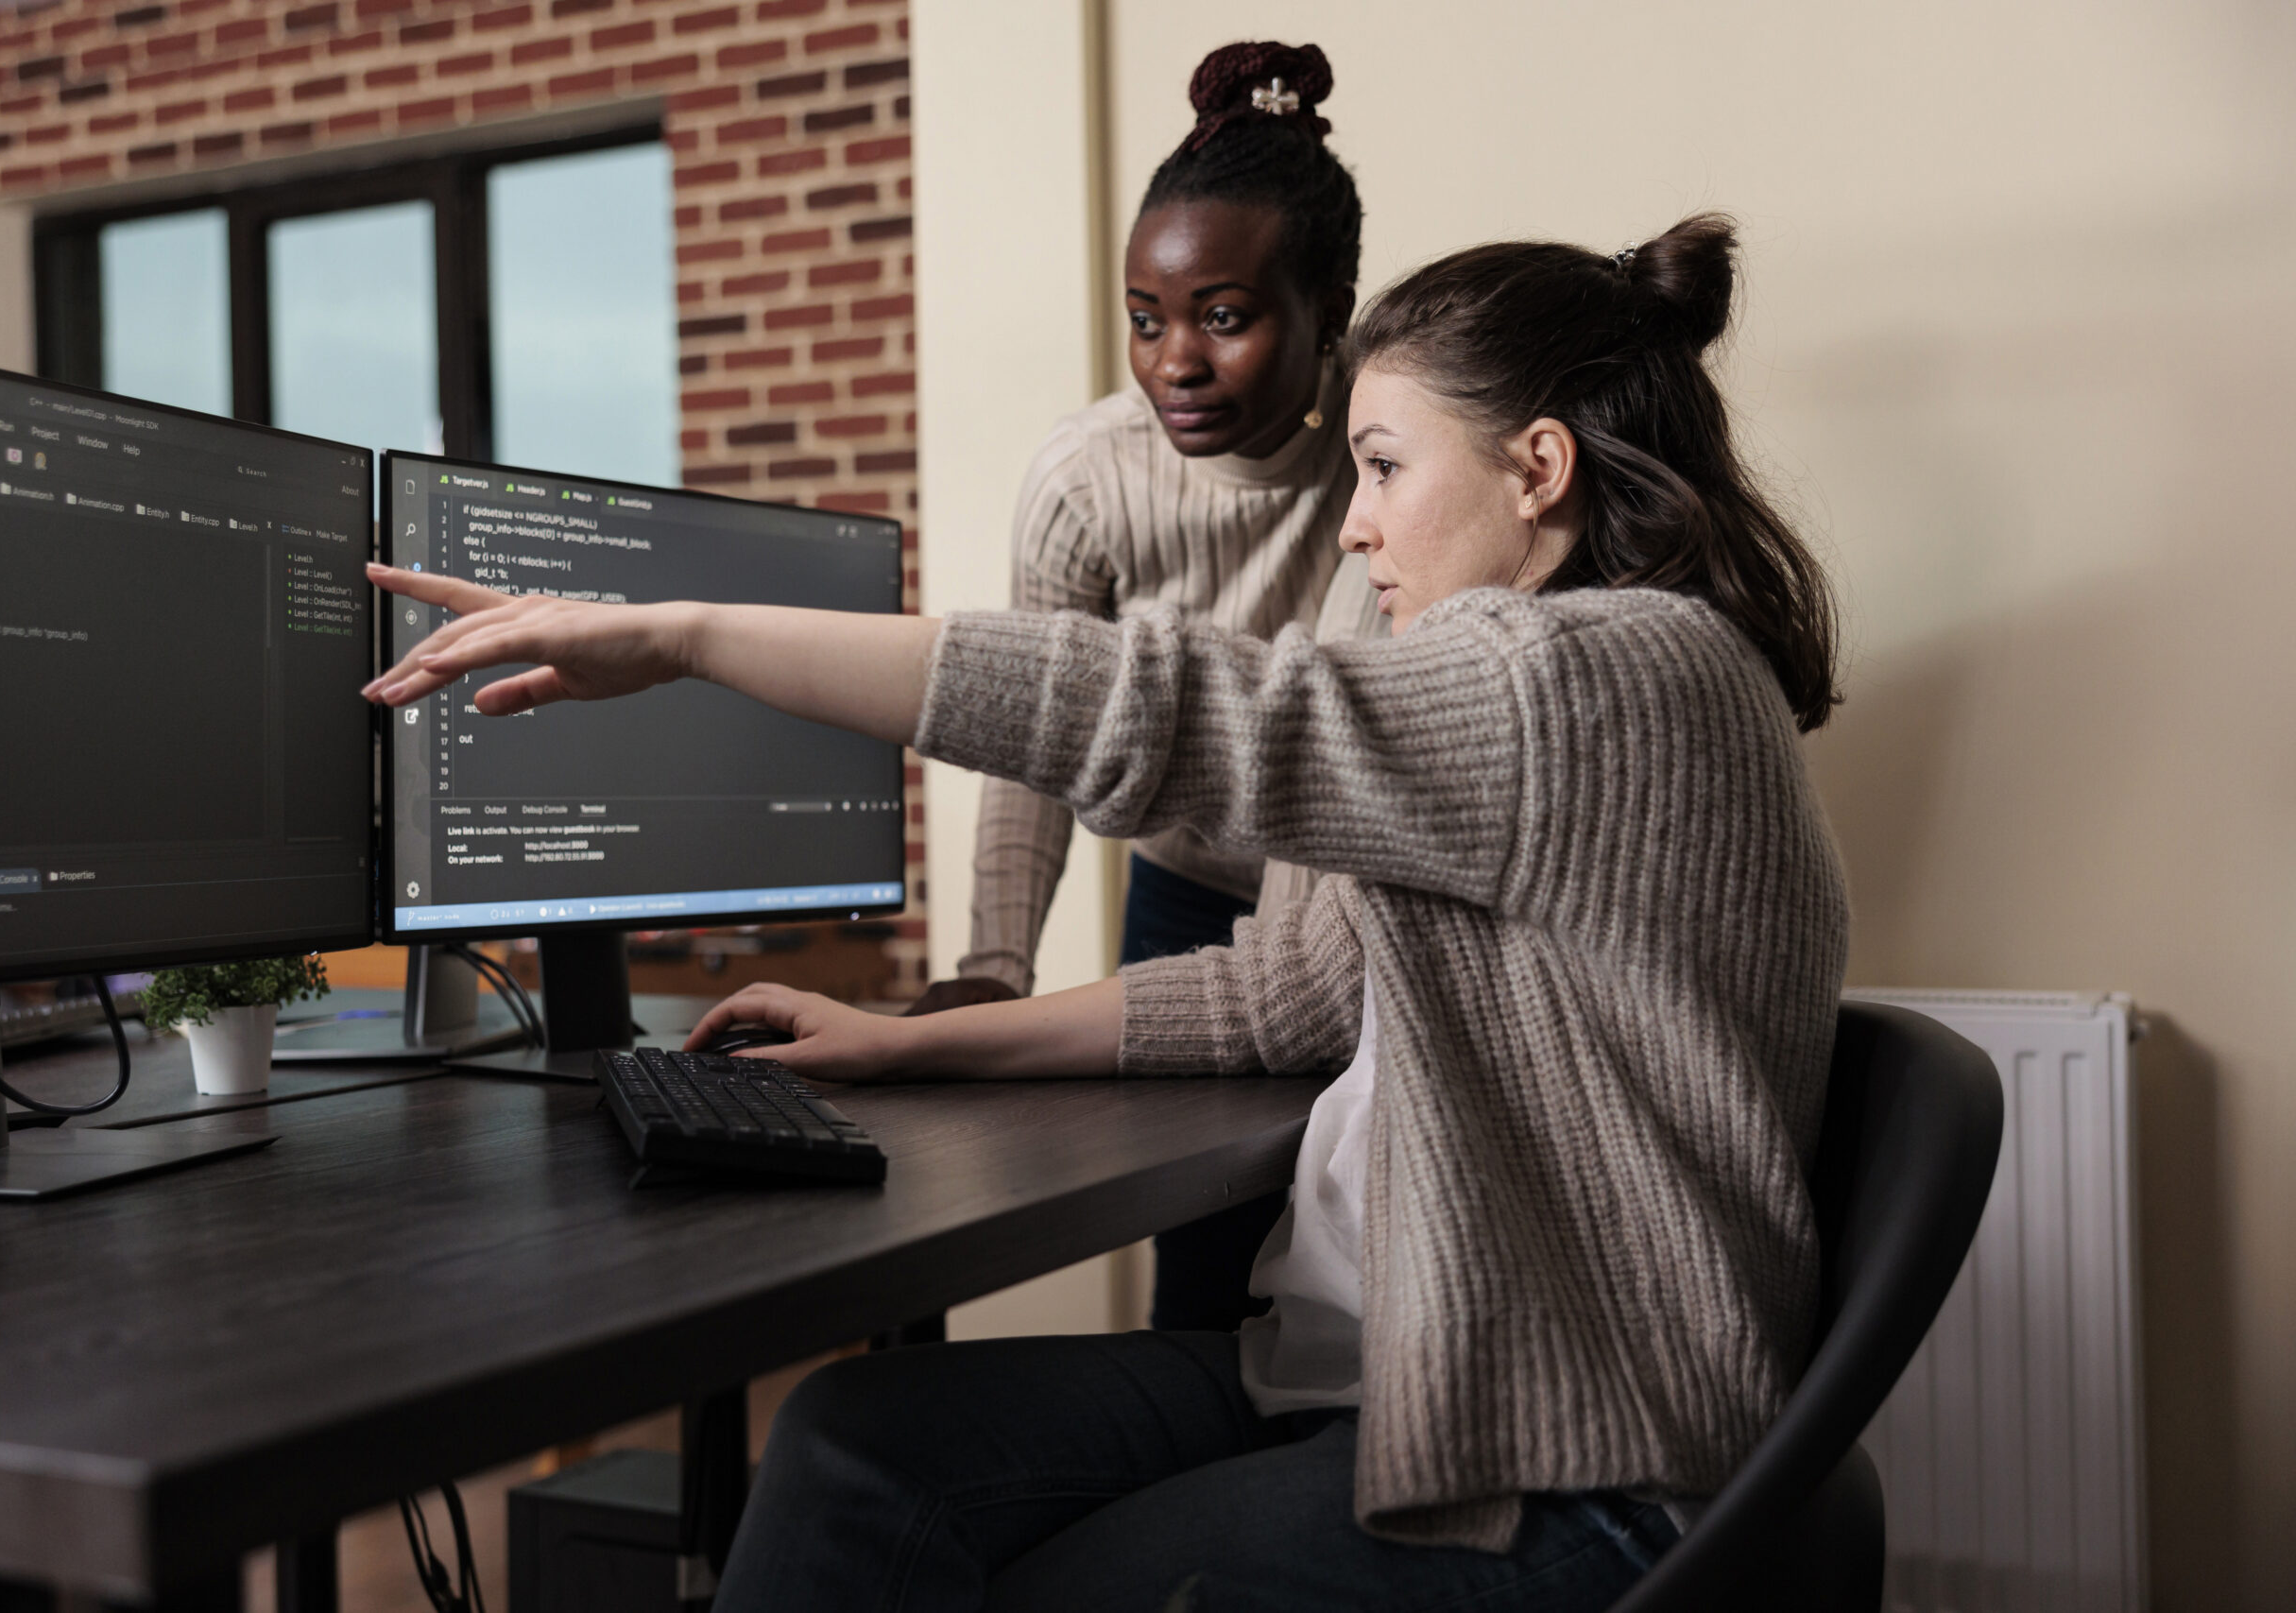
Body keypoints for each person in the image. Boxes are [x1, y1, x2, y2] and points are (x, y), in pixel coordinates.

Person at [365, 213, 1847, 1611]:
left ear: (1537, 469)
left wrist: (687, 636)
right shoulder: (1541, 709)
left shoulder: (1616, 679)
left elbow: (1163, 706)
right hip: (1363, 1379)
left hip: (1564, 1463)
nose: (1355, 531)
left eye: (1386, 469)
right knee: (855, 1443)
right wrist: (909, 1045)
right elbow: (1288, 995)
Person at [906, 40, 1380, 1333]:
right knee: (1206, 1272)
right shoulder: (1087, 480)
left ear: (1329, 310)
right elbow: (1032, 738)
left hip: (1357, 905)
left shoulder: (1386, 461)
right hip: (1183, 897)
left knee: (1358, 1247)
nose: (1175, 359)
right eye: (1146, 318)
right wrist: (994, 968)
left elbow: (1357, 731)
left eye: (1224, 317)